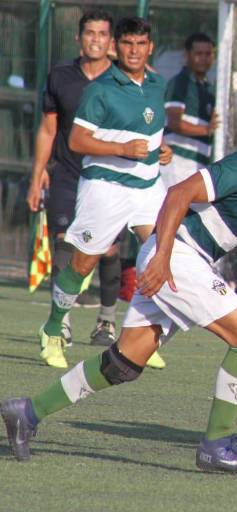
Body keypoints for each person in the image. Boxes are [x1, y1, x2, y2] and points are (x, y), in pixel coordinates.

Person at [1, 101, 237, 473]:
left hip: (182, 258)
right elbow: (178, 194)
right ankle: (216, 443)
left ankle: (27, 412)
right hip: (176, 254)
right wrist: (161, 257)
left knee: (124, 364)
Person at [36, 17, 171, 369]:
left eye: (141, 44)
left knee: (160, 258)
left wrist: (163, 149)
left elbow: (152, 129)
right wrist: (124, 150)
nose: (134, 50)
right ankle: (52, 329)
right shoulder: (101, 89)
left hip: (147, 189)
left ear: (150, 47)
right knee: (82, 264)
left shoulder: (157, 84)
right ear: (117, 47)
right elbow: (78, 141)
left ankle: (144, 338)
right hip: (105, 188)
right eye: (127, 44)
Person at [25, 11, 125, 355]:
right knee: (64, 245)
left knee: (108, 250)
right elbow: (48, 129)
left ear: (111, 42)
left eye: (102, 34)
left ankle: (106, 319)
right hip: (67, 174)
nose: (95, 39)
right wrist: (37, 175)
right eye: (89, 33)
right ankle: (61, 321)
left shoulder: (124, 80)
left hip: (109, 179)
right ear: (78, 38)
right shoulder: (61, 77)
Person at [162, 32, 217, 188]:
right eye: (198, 53)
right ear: (187, 55)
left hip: (199, 166)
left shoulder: (210, 89)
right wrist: (207, 129)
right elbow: (175, 123)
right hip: (177, 165)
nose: (203, 58)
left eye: (208, 54)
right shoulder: (180, 83)